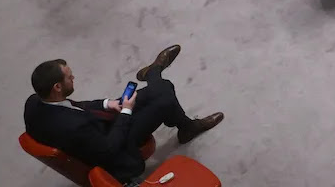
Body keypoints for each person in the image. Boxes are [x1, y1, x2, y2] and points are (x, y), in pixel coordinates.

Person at [24, 51, 222, 185]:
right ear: (57, 87)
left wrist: (107, 104)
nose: (73, 78)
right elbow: (109, 149)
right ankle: (155, 74)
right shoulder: (73, 127)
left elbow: (75, 106)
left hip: (97, 128)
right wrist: (126, 111)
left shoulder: (34, 103)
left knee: (162, 89)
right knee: (164, 99)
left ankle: (155, 74)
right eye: (69, 77)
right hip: (115, 148)